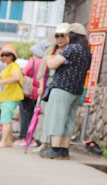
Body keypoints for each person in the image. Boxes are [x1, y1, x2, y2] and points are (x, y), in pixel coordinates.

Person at [40, 23, 91, 160]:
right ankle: (64, 150)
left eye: (66, 35)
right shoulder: (87, 51)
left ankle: (55, 149)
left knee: (57, 118)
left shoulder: (71, 48)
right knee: (69, 120)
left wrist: (49, 58)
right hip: (76, 90)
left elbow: (52, 64)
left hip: (62, 88)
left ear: (71, 36)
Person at [34, 23, 70, 149]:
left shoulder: (70, 51)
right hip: (47, 85)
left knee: (55, 115)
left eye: (63, 35)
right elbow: (42, 70)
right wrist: (41, 86)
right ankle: (42, 141)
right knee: (43, 114)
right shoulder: (50, 50)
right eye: (57, 36)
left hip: (61, 86)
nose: (60, 38)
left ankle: (51, 144)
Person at [0, 44, 23, 148]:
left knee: (6, 119)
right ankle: (8, 141)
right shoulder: (8, 67)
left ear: (12, 56)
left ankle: (3, 141)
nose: (4, 57)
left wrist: (1, 81)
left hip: (10, 97)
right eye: (3, 55)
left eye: (7, 54)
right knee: (7, 119)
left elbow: (16, 78)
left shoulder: (13, 66)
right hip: (6, 97)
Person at [15, 41, 46, 145]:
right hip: (40, 93)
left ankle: (23, 137)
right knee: (35, 116)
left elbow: (24, 73)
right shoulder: (46, 63)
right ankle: (32, 138)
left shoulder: (33, 61)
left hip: (28, 92)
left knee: (25, 115)